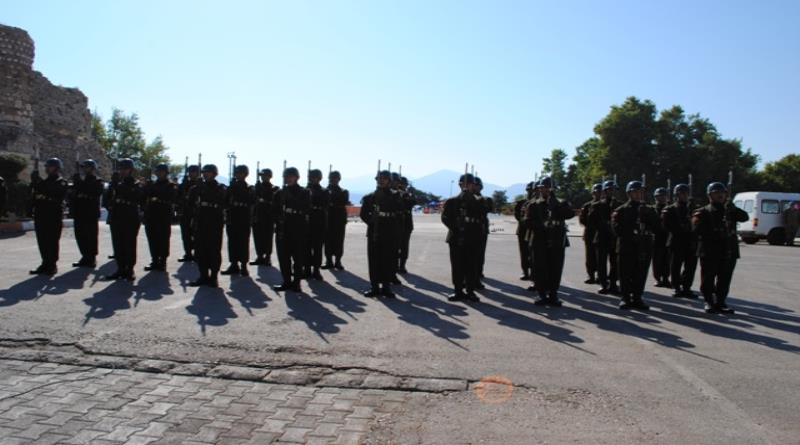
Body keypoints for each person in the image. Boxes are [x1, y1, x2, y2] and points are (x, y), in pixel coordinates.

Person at [692, 182, 749, 314]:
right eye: (717, 193)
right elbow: (696, 230)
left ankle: (721, 302)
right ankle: (708, 301)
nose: (720, 195)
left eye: (722, 193)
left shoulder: (729, 209)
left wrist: (733, 208)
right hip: (710, 250)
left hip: (729, 250)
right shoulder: (703, 211)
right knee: (708, 278)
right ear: (710, 195)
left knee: (725, 278)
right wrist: (714, 233)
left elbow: (744, 217)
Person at [526, 177, 574, 306]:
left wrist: (556, 204)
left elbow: (569, 214)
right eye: (542, 188)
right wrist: (541, 225)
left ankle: (553, 294)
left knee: (555, 268)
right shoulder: (534, 204)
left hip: (557, 240)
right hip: (539, 240)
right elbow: (527, 221)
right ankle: (541, 294)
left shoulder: (560, 202)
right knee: (540, 268)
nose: (544, 190)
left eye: (547, 188)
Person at [612, 181, 660, 310]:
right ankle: (625, 298)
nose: (639, 194)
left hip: (644, 246)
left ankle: (637, 297)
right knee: (625, 273)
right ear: (629, 193)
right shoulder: (621, 210)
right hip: (627, 246)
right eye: (636, 192)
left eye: (640, 192)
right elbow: (617, 230)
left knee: (641, 273)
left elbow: (657, 227)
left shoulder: (649, 209)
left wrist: (648, 214)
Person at [441, 173, 485, 303]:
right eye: (464, 184)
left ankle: (470, 291)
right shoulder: (452, 201)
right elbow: (445, 217)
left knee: (471, 265)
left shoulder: (480, 201)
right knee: (457, 265)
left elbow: (484, 211)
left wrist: (470, 199)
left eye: (470, 184)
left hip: (473, 237)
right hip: (456, 237)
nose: (467, 186)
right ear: (460, 185)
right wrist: (456, 226)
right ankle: (458, 290)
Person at [361, 170, 403, 297]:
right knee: (374, 259)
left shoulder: (396, 196)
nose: (381, 180)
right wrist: (371, 221)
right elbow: (363, 214)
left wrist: (397, 231)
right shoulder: (370, 197)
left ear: (389, 181)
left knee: (388, 260)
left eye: (384, 178)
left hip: (389, 230)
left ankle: (386, 287)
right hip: (375, 230)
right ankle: (374, 287)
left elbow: (400, 213)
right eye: (379, 178)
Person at [103, 158, 143, 281]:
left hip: (130, 217)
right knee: (118, 244)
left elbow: (137, 198)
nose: (122, 171)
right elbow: (106, 199)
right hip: (117, 217)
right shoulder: (115, 184)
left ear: (131, 170)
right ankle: (120, 268)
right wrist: (110, 202)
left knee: (129, 244)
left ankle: (129, 269)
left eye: (125, 169)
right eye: (121, 169)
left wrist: (119, 187)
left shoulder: (136, 184)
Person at [273, 167, 311, 292]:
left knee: (298, 257)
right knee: (283, 257)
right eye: (286, 177)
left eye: (290, 176)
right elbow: (273, 210)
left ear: (296, 177)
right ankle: (286, 281)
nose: (287, 179)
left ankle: (297, 283)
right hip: (283, 228)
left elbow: (306, 208)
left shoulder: (304, 192)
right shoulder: (279, 193)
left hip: (298, 227)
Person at [189, 164, 227, 288]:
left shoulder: (220, 188)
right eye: (204, 172)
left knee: (214, 250)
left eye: (208, 172)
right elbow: (190, 202)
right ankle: (203, 275)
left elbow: (224, 201)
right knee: (200, 249)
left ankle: (214, 276)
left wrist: (204, 188)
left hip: (214, 221)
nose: (205, 174)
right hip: (201, 220)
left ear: (214, 174)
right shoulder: (198, 187)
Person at [29, 158, 68, 275]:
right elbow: (35, 194)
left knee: (51, 240)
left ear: (56, 168)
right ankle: (45, 263)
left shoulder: (61, 181)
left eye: (49, 166)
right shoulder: (44, 182)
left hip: (53, 215)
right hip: (41, 214)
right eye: (46, 166)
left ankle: (52, 265)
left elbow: (51, 191)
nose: (46, 169)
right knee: (42, 240)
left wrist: (39, 181)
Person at [662, 184, 699, 299]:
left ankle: (686, 287)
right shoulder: (670, 209)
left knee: (691, 266)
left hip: (690, 241)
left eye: (686, 194)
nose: (684, 196)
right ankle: (676, 287)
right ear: (676, 195)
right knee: (675, 266)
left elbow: (698, 224)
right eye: (682, 194)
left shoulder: (692, 208)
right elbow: (666, 225)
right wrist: (681, 229)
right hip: (676, 241)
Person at [221, 165, 255, 277]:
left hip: (244, 217)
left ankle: (244, 265)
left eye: (241, 173)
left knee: (243, 242)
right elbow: (224, 202)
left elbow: (253, 202)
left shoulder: (249, 188)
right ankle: (234, 264)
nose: (239, 175)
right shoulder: (231, 187)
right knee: (232, 242)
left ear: (245, 175)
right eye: (237, 173)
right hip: (233, 217)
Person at [142, 163, 177, 272]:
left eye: (161, 171)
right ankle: (155, 260)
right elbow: (144, 197)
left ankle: (163, 261)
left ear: (166, 173)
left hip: (163, 215)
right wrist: (146, 187)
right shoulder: (152, 184)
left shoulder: (171, 185)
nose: (159, 173)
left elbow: (171, 197)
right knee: (152, 238)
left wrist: (154, 193)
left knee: (163, 239)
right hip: (152, 214)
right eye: (158, 171)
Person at [589, 180, 622, 295]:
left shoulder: (619, 205)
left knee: (615, 263)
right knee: (601, 263)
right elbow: (591, 221)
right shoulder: (597, 205)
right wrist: (604, 225)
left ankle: (613, 283)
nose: (612, 192)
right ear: (605, 191)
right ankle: (603, 284)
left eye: (614, 190)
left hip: (614, 238)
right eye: (609, 190)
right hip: (602, 237)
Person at [70, 159, 104, 268]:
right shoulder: (81, 181)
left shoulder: (97, 181)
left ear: (92, 168)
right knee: (80, 235)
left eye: (87, 167)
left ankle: (91, 258)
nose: (84, 169)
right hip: (80, 212)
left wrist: (79, 183)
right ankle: (84, 256)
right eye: (83, 167)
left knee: (91, 236)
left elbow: (92, 190)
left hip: (90, 213)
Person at [251, 168, 279, 266]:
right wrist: (256, 190)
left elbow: (272, 200)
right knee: (257, 237)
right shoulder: (256, 187)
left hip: (268, 216)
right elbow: (253, 200)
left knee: (267, 237)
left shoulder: (274, 188)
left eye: (265, 175)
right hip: (257, 215)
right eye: (262, 175)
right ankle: (259, 256)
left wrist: (262, 190)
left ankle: (267, 257)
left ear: (269, 177)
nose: (263, 177)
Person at [322, 170, 349, 270]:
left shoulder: (343, 191)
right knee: (327, 241)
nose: (332, 180)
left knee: (338, 240)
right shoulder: (324, 190)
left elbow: (343, 202)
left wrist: (332, 202)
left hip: (339, 220)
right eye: (331, 178)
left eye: (335, 178)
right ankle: (329, 261)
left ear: (339, 179)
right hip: (327, 219)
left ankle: (338, 261)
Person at [305, 169, 329, 280]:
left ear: (319, 178)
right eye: (311, 177)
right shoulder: (305, 190)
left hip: (319, 221)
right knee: (306, 247)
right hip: (307, 221)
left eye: (314, 177)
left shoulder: (324, 191)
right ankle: (307, 269)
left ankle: (316, 269)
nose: (312, 179)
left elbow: (325, 204)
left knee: (318, 248)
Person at [177, 165, 201, 263]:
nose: (192, 174)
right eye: (190, 172)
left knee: (197, 234)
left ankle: (197, 254)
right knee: (185, 234)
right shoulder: (184, 184)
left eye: (194, 172)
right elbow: (177, 197)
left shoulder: (201, 184)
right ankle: (188, 253)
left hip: (197, 213)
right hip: (185, 212)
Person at [579, 183, 602, 284]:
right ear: (593, 193)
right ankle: (591, 275)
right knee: (590, 256)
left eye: (600, 192)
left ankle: (601, 276)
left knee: (601, 257)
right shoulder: (587, 205)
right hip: (590, 233)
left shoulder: (605, 205)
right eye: (596, 192)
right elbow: (582, 219)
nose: (598, 194)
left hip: (602, 233)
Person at [475, 177, 493, 288]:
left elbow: (487, 209)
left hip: (481, 229)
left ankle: (478, 272)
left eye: (477, 185)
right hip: (468, 230)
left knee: (480, 253)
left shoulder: (486, 199)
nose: (475, 187)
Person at [514, 182, 535, 280]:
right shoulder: (521, 203)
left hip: (533, 231)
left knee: (534, 253)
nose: (530, 193)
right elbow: (517, 216)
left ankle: (533, 272)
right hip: (523, 230)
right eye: (529, 191)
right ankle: (525, 271)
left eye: (532, 191)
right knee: (524, 252)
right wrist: (525, 221)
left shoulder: (537, 203)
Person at [651, 187, 671, 287]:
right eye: (659, 196)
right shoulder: (653, 209)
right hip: (657, 237)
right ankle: (658, 278)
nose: (661, 198)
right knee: (657, 260)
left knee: (667, 259)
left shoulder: (670, 208)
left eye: (663, 196)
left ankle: (666, 277)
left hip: (667, 236)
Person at [396, 176, 415, 274]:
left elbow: (412, 203)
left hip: (406, 223)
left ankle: (402, 265)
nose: (402, 186)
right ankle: (394, 265)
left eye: (404, 184)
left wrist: (407, 195)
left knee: (404, 246)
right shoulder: (394, 195)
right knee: (395, 246)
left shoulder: (408, 194)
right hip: (396, 223)